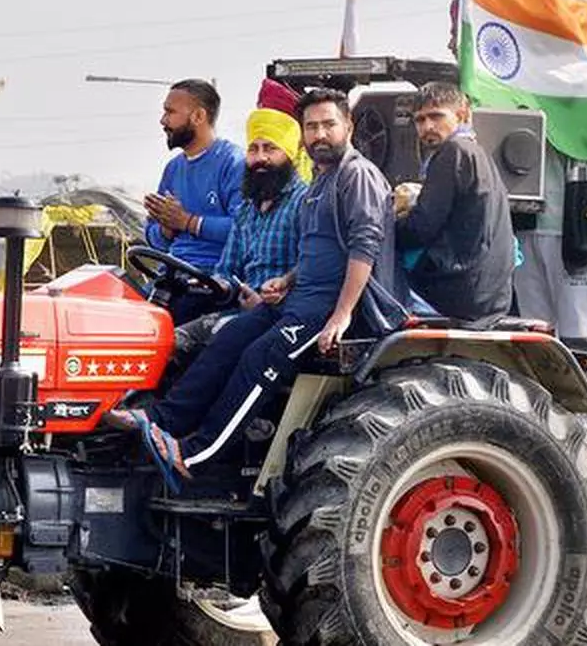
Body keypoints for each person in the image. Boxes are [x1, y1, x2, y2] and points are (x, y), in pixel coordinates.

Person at [107, 88, 404, 490]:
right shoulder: (321, 180)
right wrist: (287, 280)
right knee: (228, 339)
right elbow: (317, 251)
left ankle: (195, 454)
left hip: (326, 308)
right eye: (312, 126)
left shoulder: (357, 175)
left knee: (259, 358)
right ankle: (161, 421)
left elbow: (363, 248)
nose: (320, 134)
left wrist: (342, 314)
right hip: (298, 297)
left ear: (348, 126)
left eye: (328, 125)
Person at [448, 0, 587, 349]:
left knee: (578, 340)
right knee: (534, 340)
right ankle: (541, 406)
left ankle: (580, 405)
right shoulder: (507, 85)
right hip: (524, 234)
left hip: (571, 239)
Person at [173, 79, 310, 364]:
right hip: (238, 306)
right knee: (164, 336)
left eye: (270, 149)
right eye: (254, 149)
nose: (260, 158)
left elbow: (313, 270)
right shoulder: (247, 209)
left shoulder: (304, 203)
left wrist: (273, 296)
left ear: (290, 155)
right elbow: (226, 268)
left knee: (200, 341)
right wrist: (226, 287)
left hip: (278, 312)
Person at [395, 81, 515, 324]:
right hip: (489, 296)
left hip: (459, 291)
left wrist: (386, 226)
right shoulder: (476, 151)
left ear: (460, 115)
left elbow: (421, 227)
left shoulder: (454, 151)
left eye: (435, 117)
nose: (427, 126)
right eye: (419, 120)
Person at [143, 79, 245, 325]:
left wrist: (188, 222)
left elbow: (243, 230)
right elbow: (153, 236)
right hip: (170, 277)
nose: (163, 121)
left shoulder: (233, 163)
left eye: (170, 112)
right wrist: (166, 229)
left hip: (212, 282)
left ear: (199, 116)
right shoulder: (173, 169)